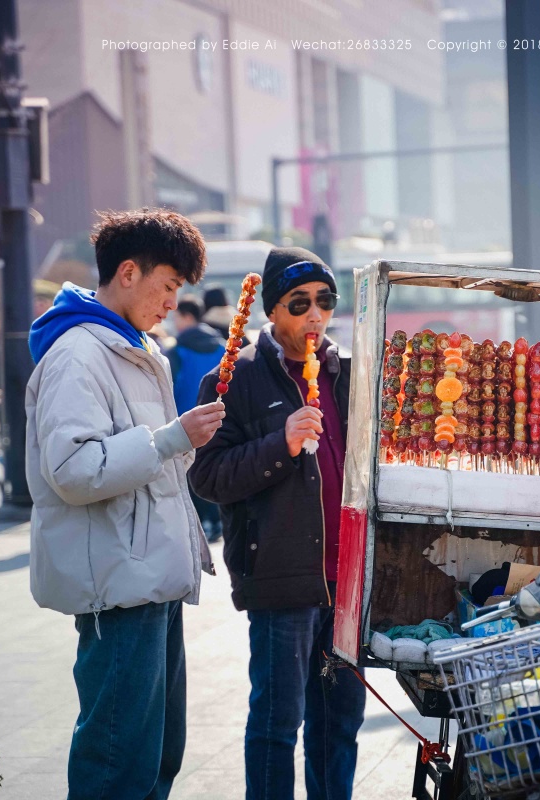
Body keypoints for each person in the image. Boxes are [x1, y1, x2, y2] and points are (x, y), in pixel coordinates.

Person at [26, 208, 224, 799]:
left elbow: (149, 463)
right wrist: (171, 439)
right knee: (118, 763)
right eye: (168, 285)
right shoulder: (78, 354)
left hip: (151, 577)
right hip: (118, 585)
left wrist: (180, 442)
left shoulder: (134, 347)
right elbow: (72, 470)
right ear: (129, 272)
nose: (172, 303)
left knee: (156, 757)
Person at [190, 247, 365, 800]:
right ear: (272, 310)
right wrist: (280, 444)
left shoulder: (349, 372)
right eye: (299, 303)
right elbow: (207, 475)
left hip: (345, 587)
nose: (315, 314)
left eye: (325, 301)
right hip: (281, 582)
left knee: (338, 723)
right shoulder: (236, 377)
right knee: (276, 724)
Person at [165, 297, 226, 542]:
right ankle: (218, 520)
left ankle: (203, 523)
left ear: (187, 317)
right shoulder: (223, 347)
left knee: (190, 474)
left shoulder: (176, 351)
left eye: (177, 317)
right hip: (220, 419)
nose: (175, 322)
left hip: (185, 424)